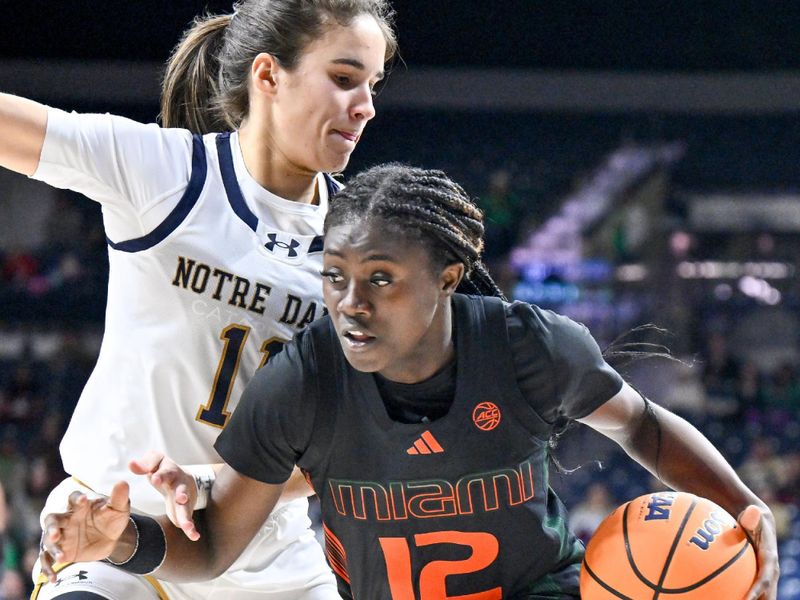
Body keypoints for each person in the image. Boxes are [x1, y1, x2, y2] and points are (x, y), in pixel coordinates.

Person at [39, 164, 779, 599]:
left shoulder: (527, 346)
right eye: (333, 278)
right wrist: (121, 543)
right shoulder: (302, 381)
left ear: (448, 277)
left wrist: (743, 507)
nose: (350, 303)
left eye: (380, 279)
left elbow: (643, 425)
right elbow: (211, 552)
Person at [0, 0, 396, 597]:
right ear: (267, 76)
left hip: (267, 560)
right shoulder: (167, 174)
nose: (364, 105)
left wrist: (210, 480)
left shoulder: (366, 247)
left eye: (372, 84)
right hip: (112, 527)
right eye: (344, 79)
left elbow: (350, 449)